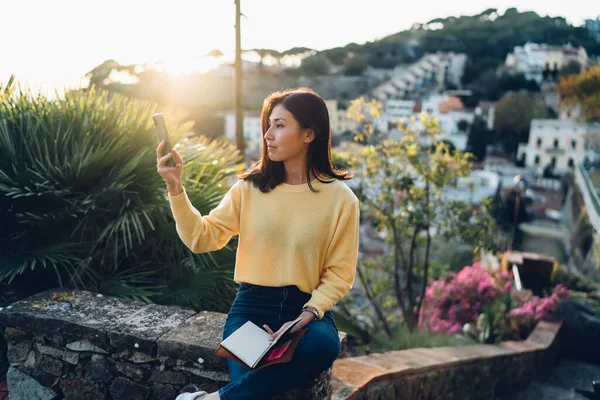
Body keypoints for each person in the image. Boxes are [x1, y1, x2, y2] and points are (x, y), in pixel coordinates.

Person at [156, 87, 360, 400]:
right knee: (253, 383)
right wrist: (175, 187)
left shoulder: (341, 199)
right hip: (251, 307)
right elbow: (201, 238)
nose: (267, 135)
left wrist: (306, 316)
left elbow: (340, 273)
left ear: (309, 134)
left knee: (324, 345)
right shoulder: (249, 188)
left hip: (305, 309)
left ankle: (210, 399)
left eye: (279, 125)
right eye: (268, 125)